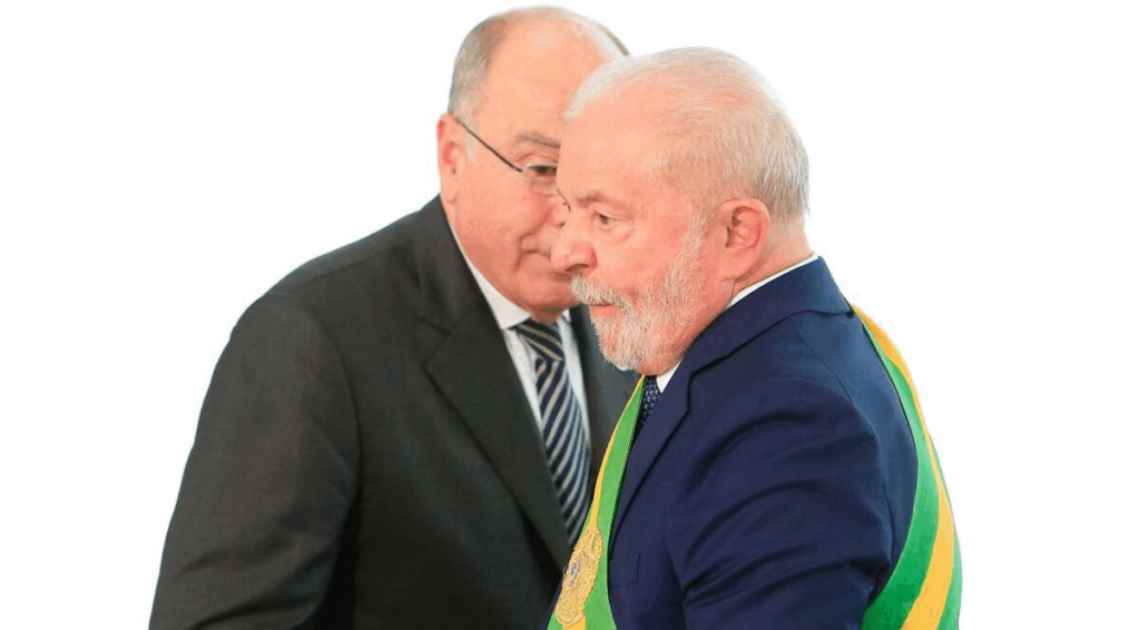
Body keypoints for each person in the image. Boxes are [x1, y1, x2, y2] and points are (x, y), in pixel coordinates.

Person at [149, 8, 634, 630]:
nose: (574, 217)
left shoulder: (632, 321)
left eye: (601, 183)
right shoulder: (312, 342)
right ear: (452, 157)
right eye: (543, 170)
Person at [545, 48, 961, 629]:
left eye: (606, 218)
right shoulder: (766, 342)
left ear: (737, 232)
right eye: (568, 210)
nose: (564, 252)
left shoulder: (790, 429)